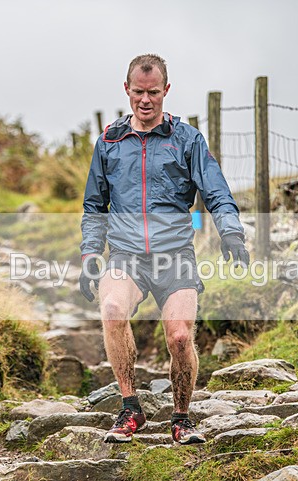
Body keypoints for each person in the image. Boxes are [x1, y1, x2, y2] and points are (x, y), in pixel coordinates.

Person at [79, 53, 249, 445]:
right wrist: (90, 256)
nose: (145, 100)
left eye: (153, 92)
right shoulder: (108, 143)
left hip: (175, 256)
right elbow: (94, 206)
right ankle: (129, 407)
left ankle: (182, 417)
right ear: (127, 90)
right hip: (126, 255)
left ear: (166, 91)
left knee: (178, 337)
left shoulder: (187, 140)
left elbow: (217, 192)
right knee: (111, 310)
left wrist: (231, 233)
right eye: (138, 92)